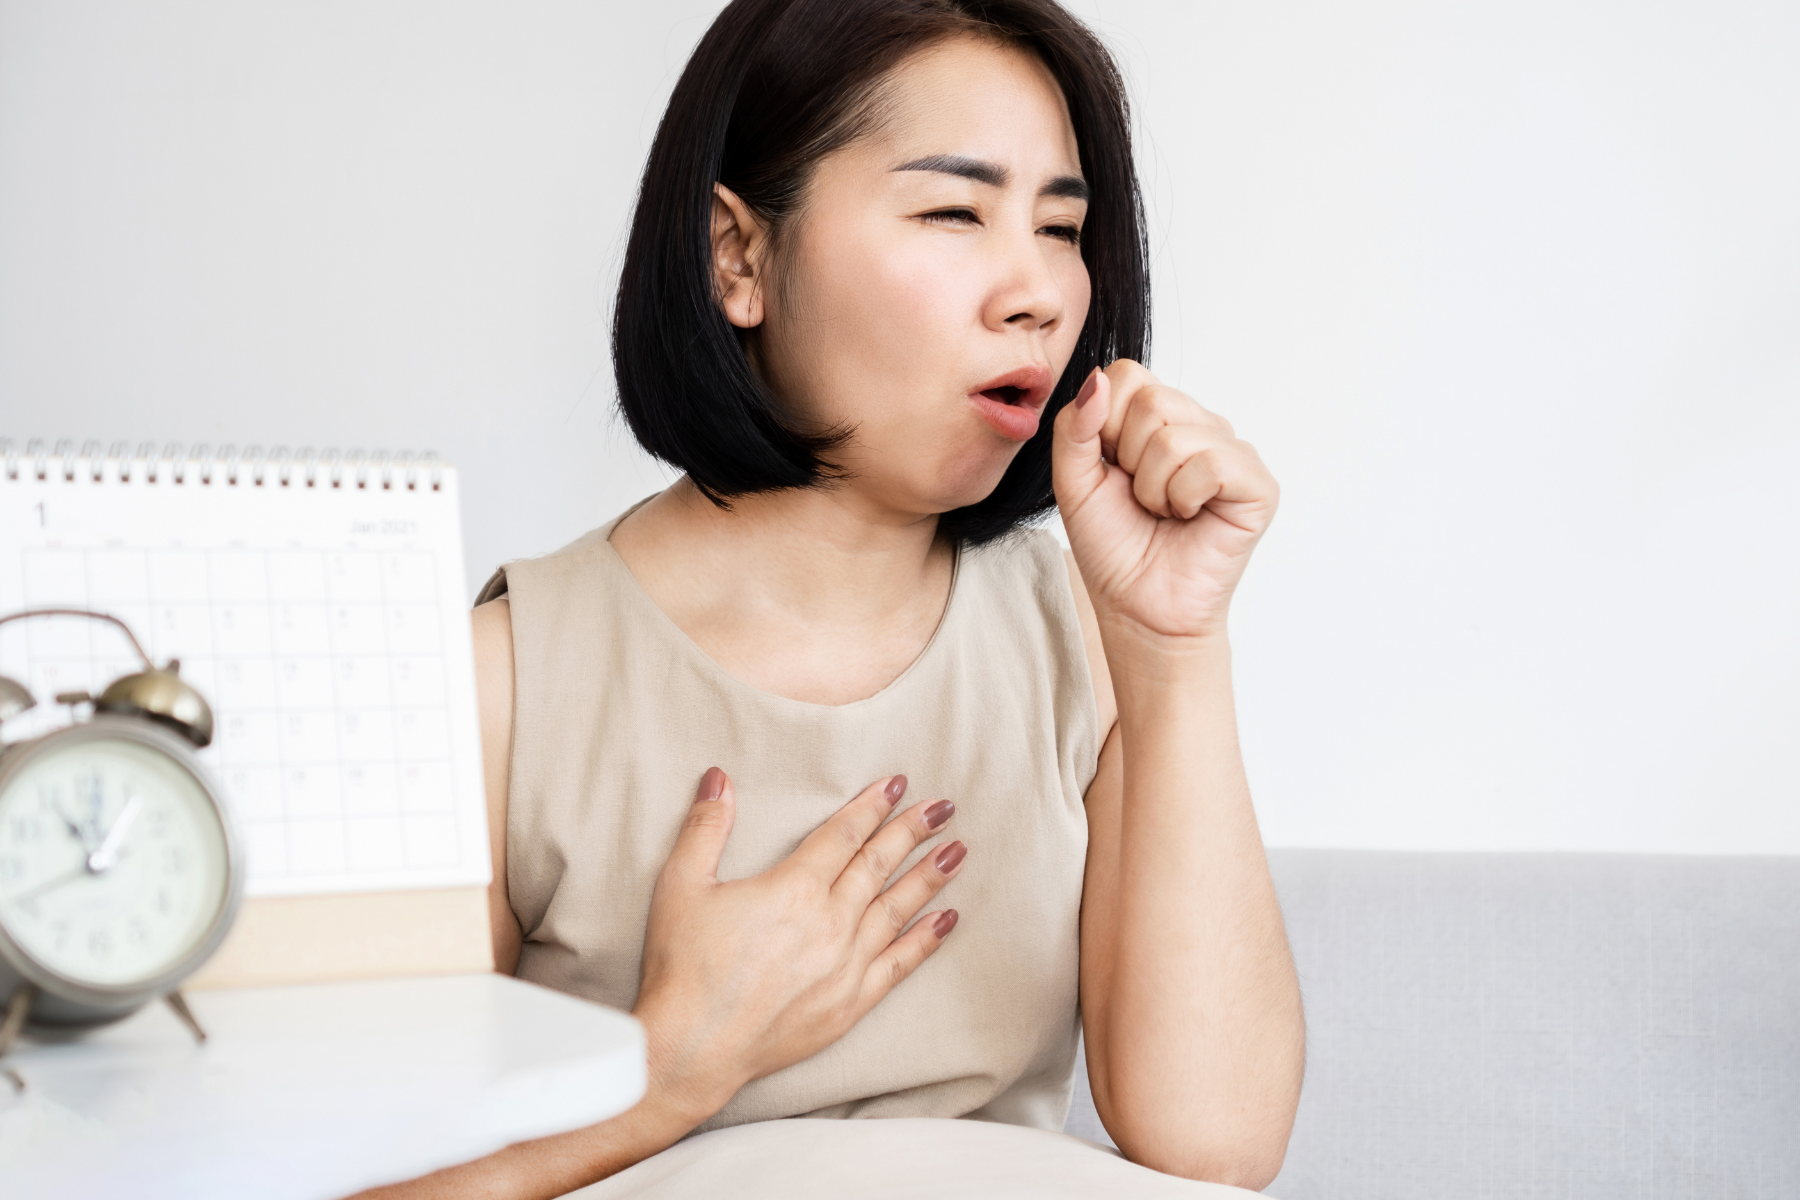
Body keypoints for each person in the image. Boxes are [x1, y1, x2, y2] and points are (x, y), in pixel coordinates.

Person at [362, 1, 1303, 1196]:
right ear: (738, 258)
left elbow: (1215, 1145)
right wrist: (670, 1070)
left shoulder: (1092, 640)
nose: (1039, 294)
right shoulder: (505, 682)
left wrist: (1174, 651)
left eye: (1061, 227)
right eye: (954, 211)